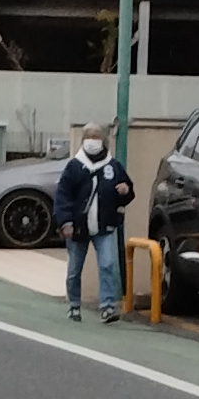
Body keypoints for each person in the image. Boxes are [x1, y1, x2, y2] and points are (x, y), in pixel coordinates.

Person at [54, 126, 135, 324]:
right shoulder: (75, 166)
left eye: (96, 137)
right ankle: (74, 305)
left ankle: (107, 306)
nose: (92, 140)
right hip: (78, 228)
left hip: (104, 226)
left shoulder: (113, 166)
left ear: (104, 140)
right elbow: (62, 196)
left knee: (107, 265)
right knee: (74, 269)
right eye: (89, 137)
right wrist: (66, 222)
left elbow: (126, 192)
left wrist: (125, 191)